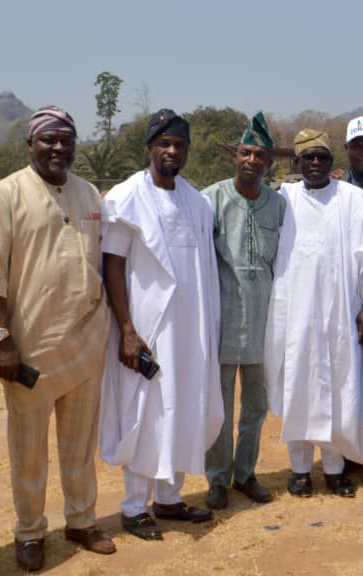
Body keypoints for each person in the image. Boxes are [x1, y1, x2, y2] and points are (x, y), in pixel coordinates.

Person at [0, 106, 115, 571]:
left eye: (66, 140)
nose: (59, 148)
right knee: (29, 450)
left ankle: (81, 521)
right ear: (30, 144)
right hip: (29, 348)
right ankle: (30, 531)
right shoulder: (5, 196)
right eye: (49, 139)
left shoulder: (90, 192)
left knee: (79, 445)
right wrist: (2, 339)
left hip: (85, 342)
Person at [98, 109, 224, 541]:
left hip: (190, 329)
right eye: (164, 143)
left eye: (179, 144)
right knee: (145, 411)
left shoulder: (196, 201)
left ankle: (170, 499)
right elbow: (111, 265)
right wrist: (127, 329)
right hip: (146, 328)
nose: (172, 151)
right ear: (150, 147)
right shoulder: (125, 197)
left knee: (185, 404)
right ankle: (134, 507)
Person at [264, 128, 363, 497]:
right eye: (308, 157)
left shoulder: (353, 198)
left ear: (332, 162)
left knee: (338, 386)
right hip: (294, 312)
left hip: (340, 313)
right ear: (297, 162)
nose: (315, 163)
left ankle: (334, 469)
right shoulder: (282, 199)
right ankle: (301, 469)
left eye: (322, 157)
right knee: (297, 387)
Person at [202, 112, 285, 510]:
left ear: (270, 164)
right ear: (236, 155)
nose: (252, 161)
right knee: (218, 405)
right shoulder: (210, 199)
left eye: (261, 156)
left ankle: (246, 473)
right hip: (222, 320)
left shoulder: (279, 205)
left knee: (255, 405)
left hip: (263, 321)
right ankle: (217, 479)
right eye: (246, 153)